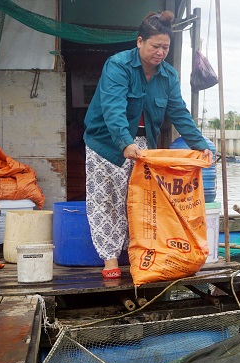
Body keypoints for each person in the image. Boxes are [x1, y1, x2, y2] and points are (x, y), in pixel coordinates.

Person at [83, 11, 212, 279]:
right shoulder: (118, 65)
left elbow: (178, 112)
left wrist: (200, 144)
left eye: (166, 47)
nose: (161, 52)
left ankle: (138, 255)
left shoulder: (168, 75)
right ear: (140, 42)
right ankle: (110, 261)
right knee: (106, 201)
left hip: (142, 144)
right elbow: (113, 108)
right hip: (105, 142)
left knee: (139, 201)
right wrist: (124, 143)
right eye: (156, 46)